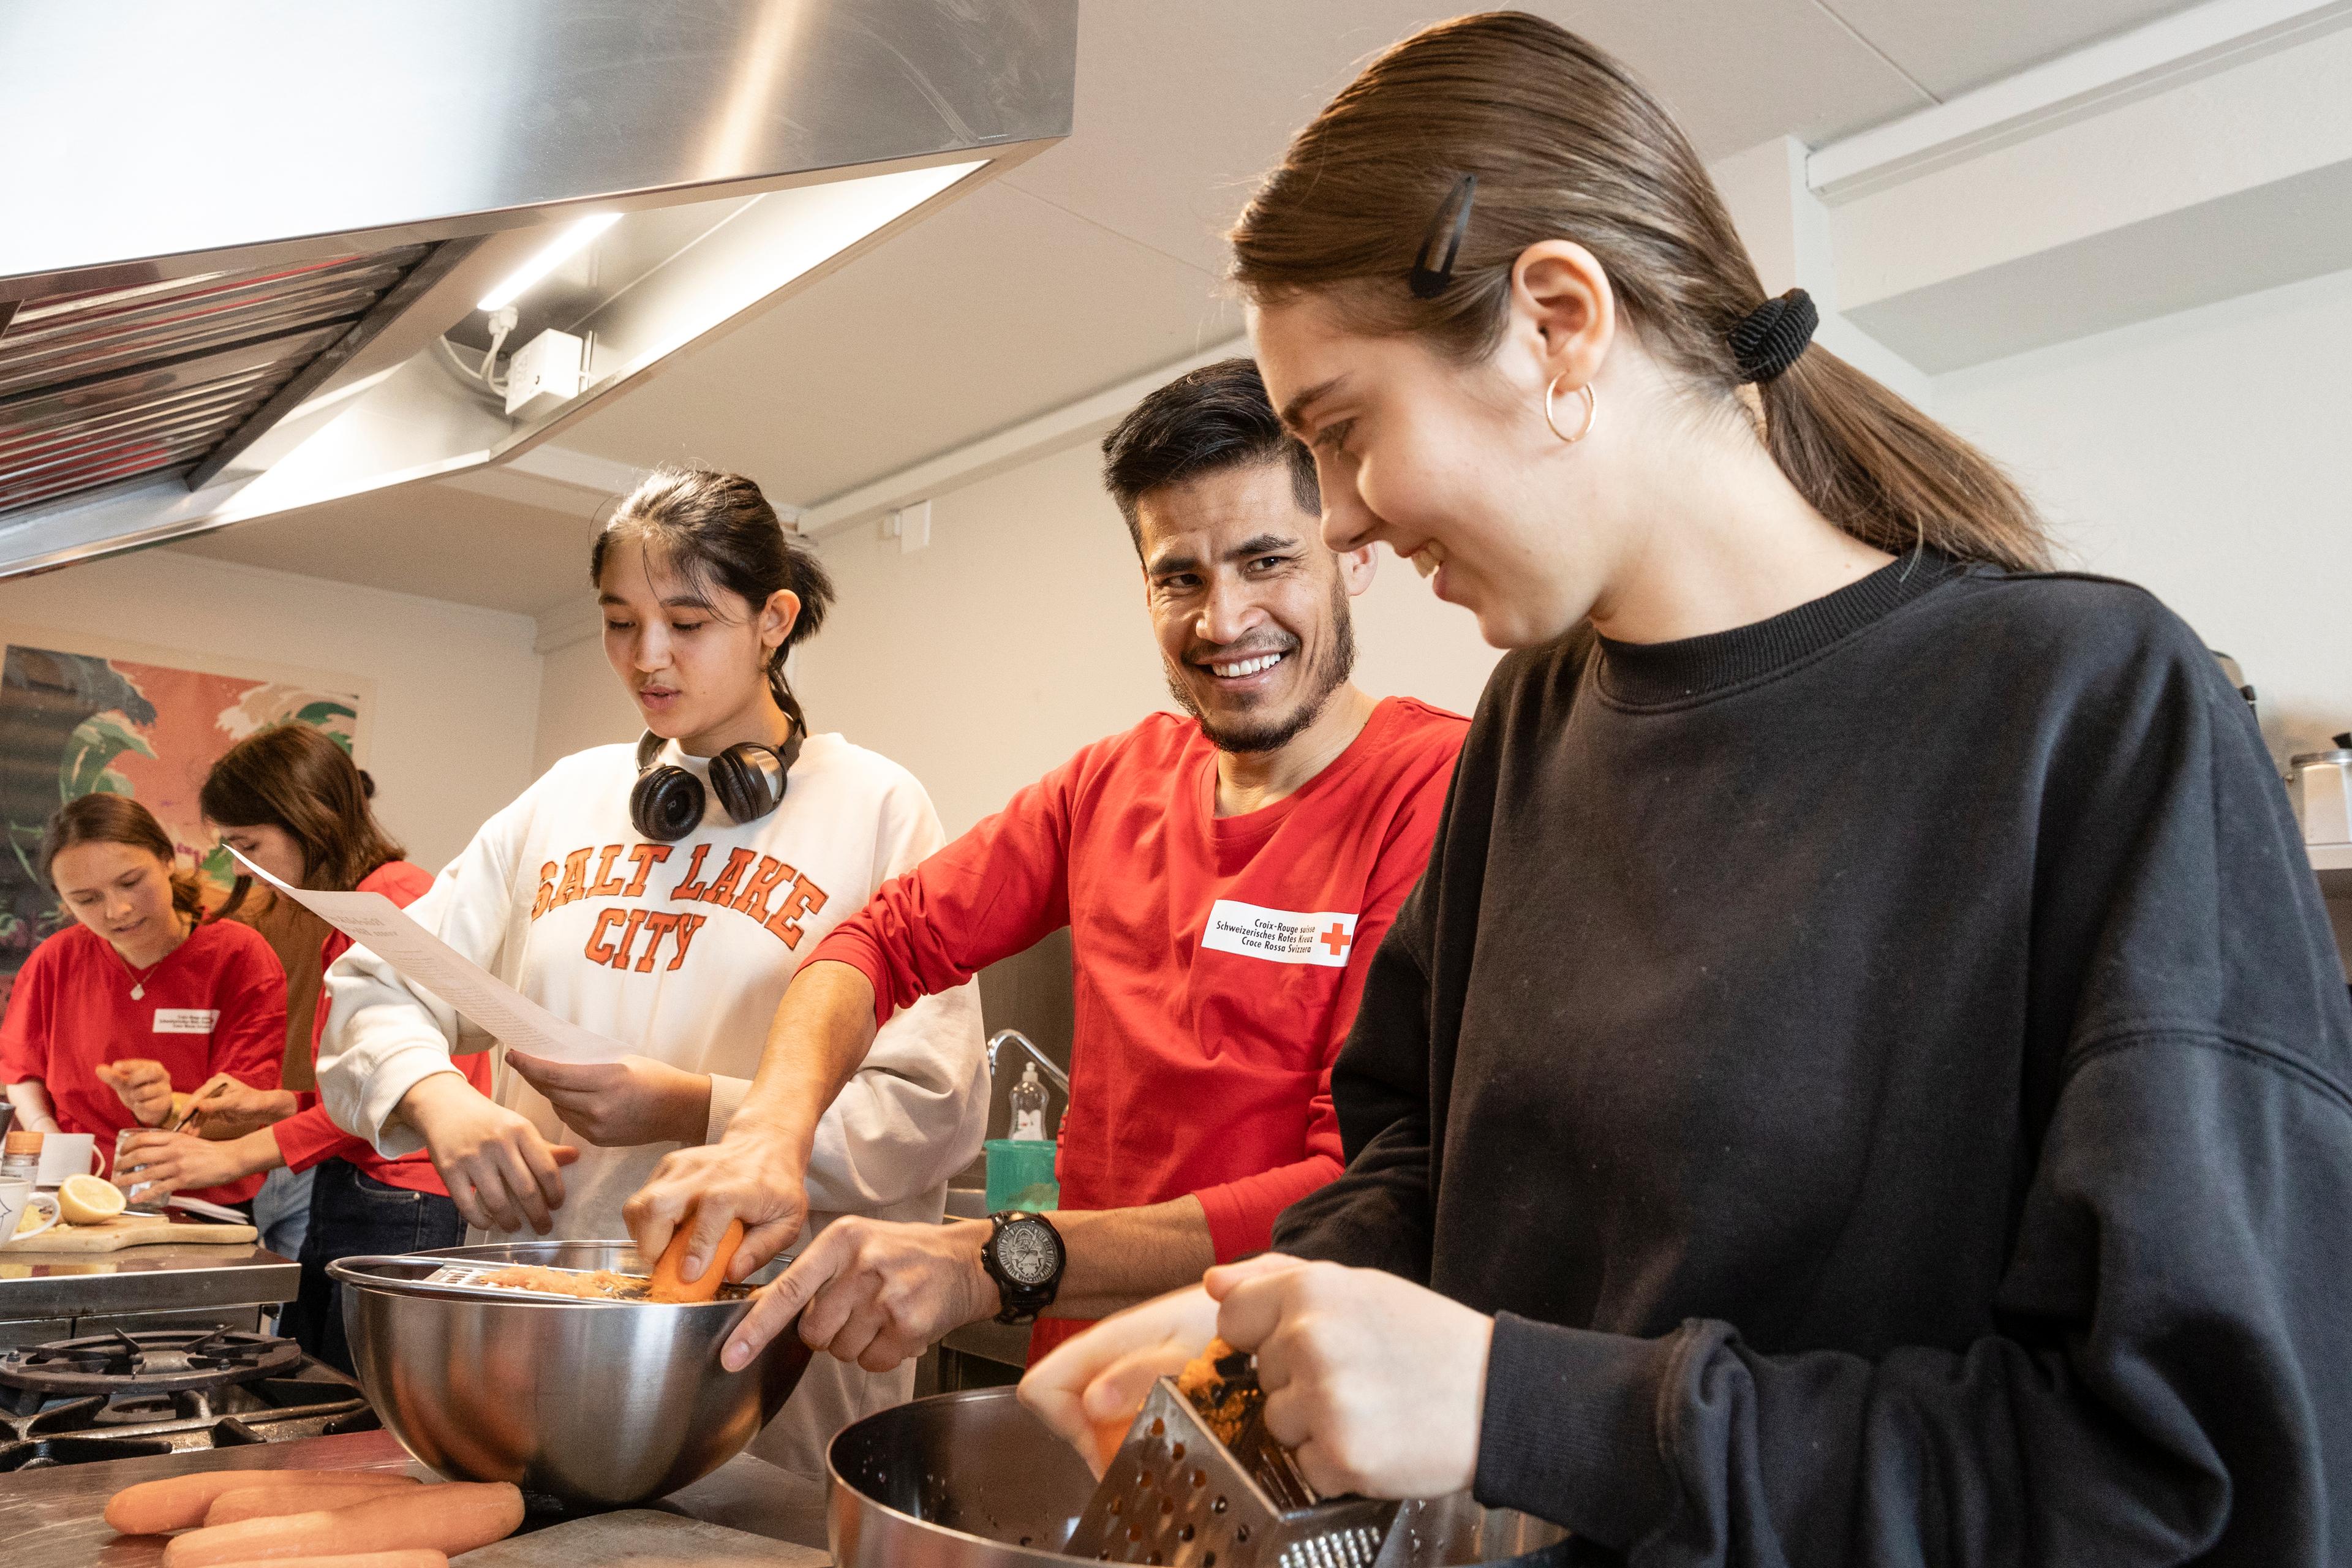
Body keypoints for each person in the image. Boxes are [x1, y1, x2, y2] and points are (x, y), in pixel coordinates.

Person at [1020, 15, 2352, 1567]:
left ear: (1557, 321)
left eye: (1340, 432)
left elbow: (2175, 1473)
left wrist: (1533, 1403)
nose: (1343, 526)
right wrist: (1268, 1303)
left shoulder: (2086, 713)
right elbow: (1429, 1158)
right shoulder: (1528, 724)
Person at [626, 360, 1468, 1378]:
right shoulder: (1109, 785)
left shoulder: (1440, 790)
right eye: (1180, 577)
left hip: (1293, 1395)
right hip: (1083, 1384)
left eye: (1266, 561)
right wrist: (769, 1129)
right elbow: (878, 942)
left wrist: (1001, 1260)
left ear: (1354, 552)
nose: (1224, 619)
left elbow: (1352, 1184)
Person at [314, 467, 986, 1479]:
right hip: (541, 1338)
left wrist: (688, 1108)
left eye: (687, 620)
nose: (648, 657)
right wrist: (440, 1100)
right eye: (621, 622)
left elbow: (929, 1111)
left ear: (774, 619)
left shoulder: (874, 807)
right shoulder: (568, 798)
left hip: (768, 1355)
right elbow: (376, 981)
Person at [111, 724, 491, 1371]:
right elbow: (368, 1084)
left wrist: (226, 1158)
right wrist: (279, 1102)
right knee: (318, 1374)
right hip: (368, 1184)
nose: (243, 867)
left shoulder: (390, 902)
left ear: (308, 819)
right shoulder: (354, 907)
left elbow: (400, 1094)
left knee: (356, 1398)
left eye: (250, 844)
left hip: (405, 1197)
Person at [1, 794, 285, 1211]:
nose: (118, 910)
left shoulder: (238, 956)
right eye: (87, 899)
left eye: (131, 882)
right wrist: (50, 1134)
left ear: (167, 860)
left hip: (198, 1202)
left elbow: (246, 1112)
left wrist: (168, 1108)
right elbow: (21, 1072)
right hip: (75, 1192)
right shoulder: (57, 959)